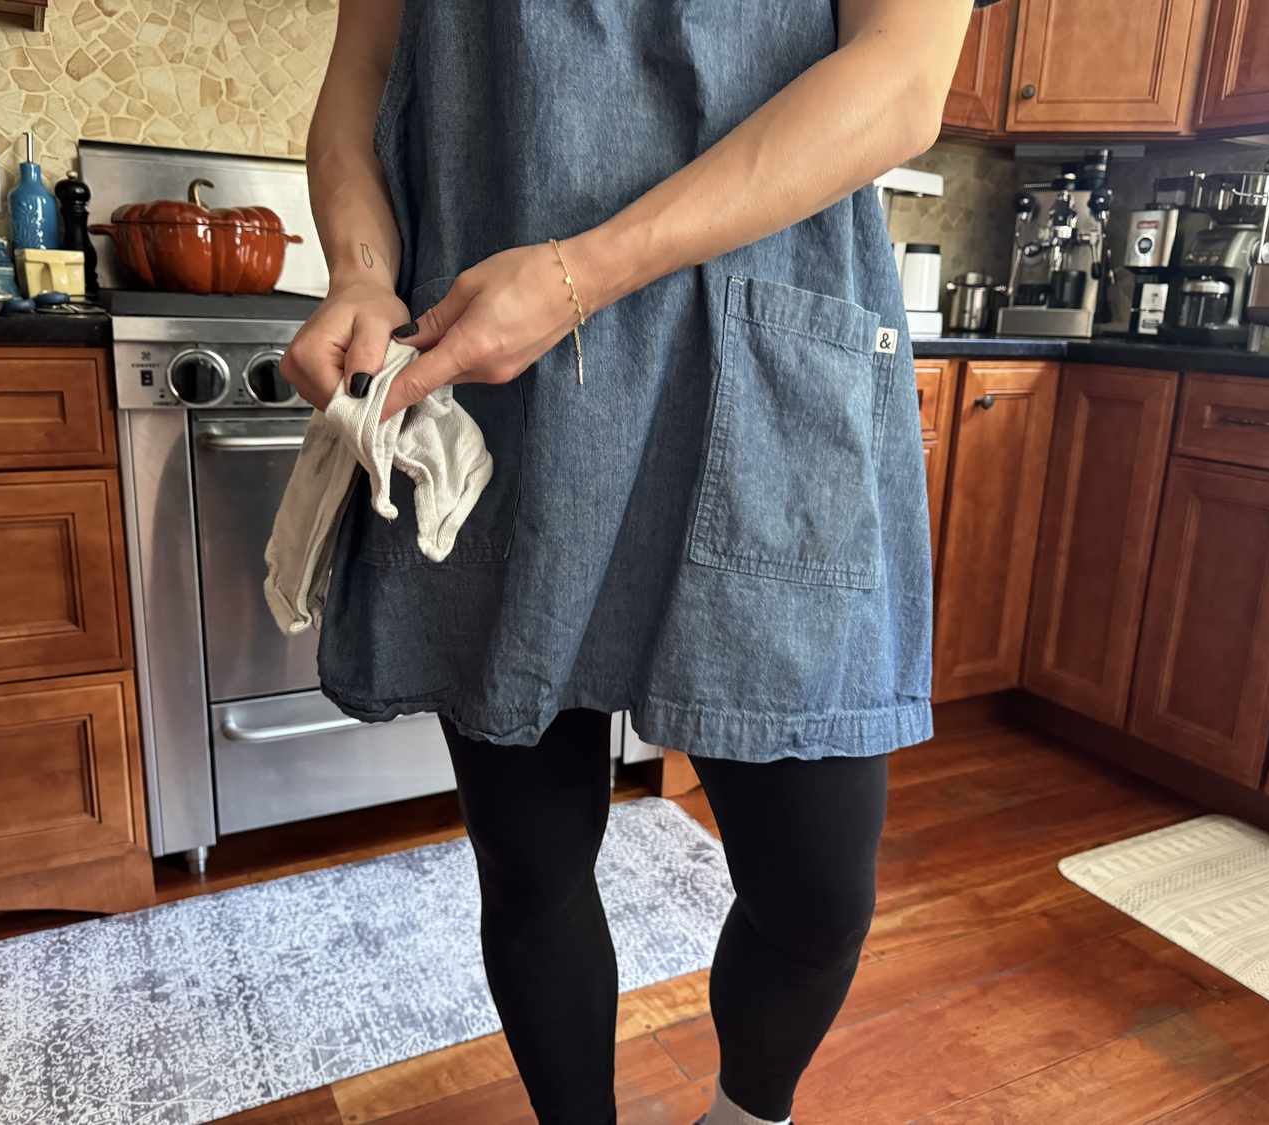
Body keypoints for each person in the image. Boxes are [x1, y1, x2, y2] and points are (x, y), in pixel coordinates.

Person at [282, 2, 987, 1121]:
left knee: (816, 899)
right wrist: (363, 272)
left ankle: (745, 1114)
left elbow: (903, 81)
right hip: (497, 382)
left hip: (766, 371)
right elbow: (362, 85)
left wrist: (582, 274)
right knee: (529, 865)